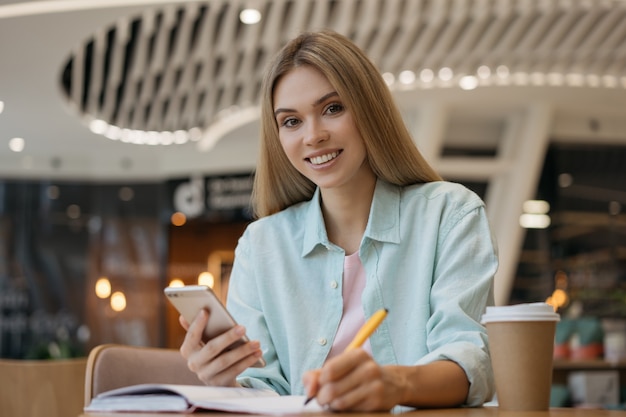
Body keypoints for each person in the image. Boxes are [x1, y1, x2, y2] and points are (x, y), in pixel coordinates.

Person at [179, 29, 498, 412]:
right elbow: (266, 389)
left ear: (368, 110)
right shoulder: (261, 245)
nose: (313, 136)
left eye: (333, 109)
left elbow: (470, 363)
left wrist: (394, 383)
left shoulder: (451, 214)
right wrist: (228, 379)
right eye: (292, 121)